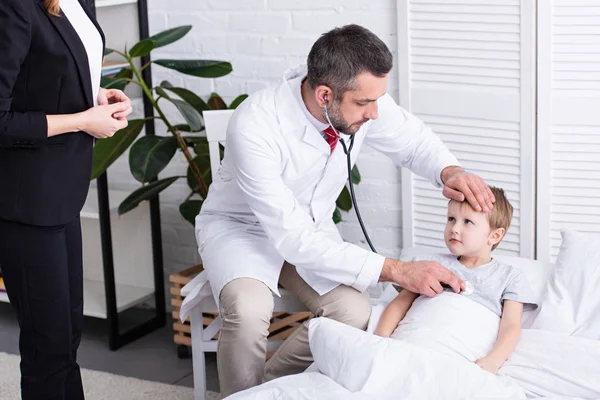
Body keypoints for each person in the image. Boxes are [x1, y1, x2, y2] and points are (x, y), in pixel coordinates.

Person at [195, 24, 495, 396]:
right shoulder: (255, 124)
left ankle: (270, 390)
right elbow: (293, 239)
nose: (374, 113)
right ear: (325, 95)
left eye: (377, 101)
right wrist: (399, 270)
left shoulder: (357, 101)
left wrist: (450, 171)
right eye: (364, 104)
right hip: (243, 230)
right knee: (248, 309)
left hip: (310, 229)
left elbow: (413, 140)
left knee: (352, 312)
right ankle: (237, 397)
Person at [0, 0, 132, 398]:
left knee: (65, 333)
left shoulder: (79, 1)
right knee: (48, 342)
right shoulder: (15, 7)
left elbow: (49, 73)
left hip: (62, 194)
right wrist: (80, 120)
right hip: (26, 201)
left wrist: (97, 94)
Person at [375, 186, 537, 374]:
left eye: (467, 222)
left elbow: (511, 326)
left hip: (457, 354)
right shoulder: (431, 265)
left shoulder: (509, 277)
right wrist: (381, 338)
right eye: (451, 219)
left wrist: (492, 361)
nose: (454, 229)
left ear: (495, 235)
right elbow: (400, 303)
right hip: (413, 342)